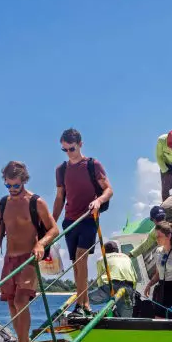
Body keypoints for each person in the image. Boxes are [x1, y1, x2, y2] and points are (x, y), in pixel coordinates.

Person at [0, 161, 59, 342]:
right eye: (8, 186)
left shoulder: (36, 202)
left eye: (16, 185)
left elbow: (53, 229)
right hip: (9, 259)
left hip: (29, 258)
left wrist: (40, 243)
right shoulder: (1, 205)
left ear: (24, 181)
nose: (12, 190)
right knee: (11, 303)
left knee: (20, 301)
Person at [53, 128, 113, 320]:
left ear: (80, 145)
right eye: (64, 150)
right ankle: (84, 304)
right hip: (69, 220)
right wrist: (51, 225)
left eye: (71, 148)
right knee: (76, 265)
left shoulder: (92, 165)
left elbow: (109, 190)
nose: (68, 153)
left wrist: (98, 201)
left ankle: (81, 304)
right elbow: (60, 197)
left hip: (88, 217)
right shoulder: (61, 170)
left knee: (81, 257)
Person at [95, 241, 137, 317]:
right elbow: (135, 276)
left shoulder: (101, 259)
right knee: (126, 309)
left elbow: (100, 281)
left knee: (90, 299)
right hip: (129, 286)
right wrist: (133, 291)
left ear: (104, 251)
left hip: (112, 286)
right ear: (117, 250)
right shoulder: (126, 257)